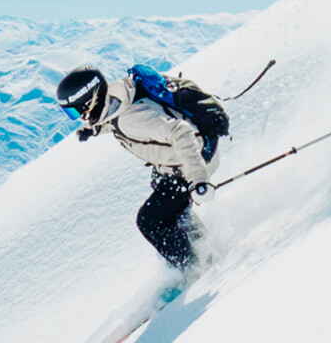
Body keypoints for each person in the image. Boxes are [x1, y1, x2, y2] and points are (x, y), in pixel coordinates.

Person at [56, 65, 218, 271]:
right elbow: (117, 118)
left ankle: (194, 267)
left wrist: (199, 179)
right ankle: (204, 245)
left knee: (150, 221)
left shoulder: (131, 120)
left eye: (74, 111)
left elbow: (180, 131)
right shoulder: (118, 95)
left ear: (90, 101)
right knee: (165, 197)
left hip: (192, 161)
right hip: (182, 158)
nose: (78, 117)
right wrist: (95, 129)